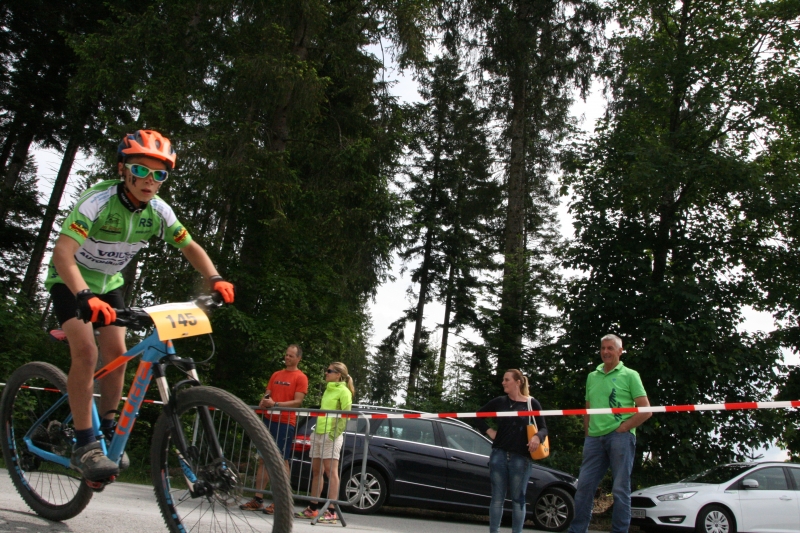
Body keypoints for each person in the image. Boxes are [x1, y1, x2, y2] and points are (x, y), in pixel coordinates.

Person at [45, 129, 235, 481]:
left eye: (159, 174)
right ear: (123, 169)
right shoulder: (97, 201)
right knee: (86, 352)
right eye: (141, 170)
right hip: (71, 281)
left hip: (109, 284)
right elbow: (62, 253)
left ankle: (108, 428)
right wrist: (84, 295)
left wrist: (215, 278)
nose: (150, 180)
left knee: (117, 353)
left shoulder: (159, 210)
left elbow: (190, 246)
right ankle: (85, 444)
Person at [568, 334, 651, 533]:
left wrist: (624, 427)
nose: (605, 352)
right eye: (603, 348)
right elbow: (588, 408)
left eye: (610, 348)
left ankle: (619, 530)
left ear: (620, 351)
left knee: (620, 488)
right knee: (584, 486)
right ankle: (577, 530)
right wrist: (588, 434)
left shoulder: (630, 375)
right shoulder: (592, 376)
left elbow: (646, 410)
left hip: (620, 436)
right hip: (594, 439)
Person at [476, 369, 547, 533]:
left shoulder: (531, 403)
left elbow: (544, 428)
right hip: (499, 455)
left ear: (518, 382)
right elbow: (477, 415)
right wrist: (489, 431)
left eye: (507, 379)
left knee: (518, 499)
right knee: (497, 498)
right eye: (503, 379)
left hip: (521, 458)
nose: (503, 383)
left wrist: (537, 437)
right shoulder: (499, 401)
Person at [240, 344, 308, 514]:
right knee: (263, 459)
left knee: (282, 461)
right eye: (286, 355)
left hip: (285, 422)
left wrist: (276, 404)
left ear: (298, 358)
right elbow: (267, 393)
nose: (287, 358)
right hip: (269, 420)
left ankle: (282, 501)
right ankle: (258, 499)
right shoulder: (276, 374)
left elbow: (297, 402)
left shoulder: (301, 377)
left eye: (291, 356)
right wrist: (264, 401)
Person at [295, 362, 354, 524]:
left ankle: (332, 511)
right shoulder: (328, 389)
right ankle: (313, 508)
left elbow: (346, 415)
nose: (326, 373)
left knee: (331, 471)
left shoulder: (344, 391)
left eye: (329, 371)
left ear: (338, 375)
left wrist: (334, 434)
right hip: (319, 432)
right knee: (317, 471)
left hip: (331, 435)